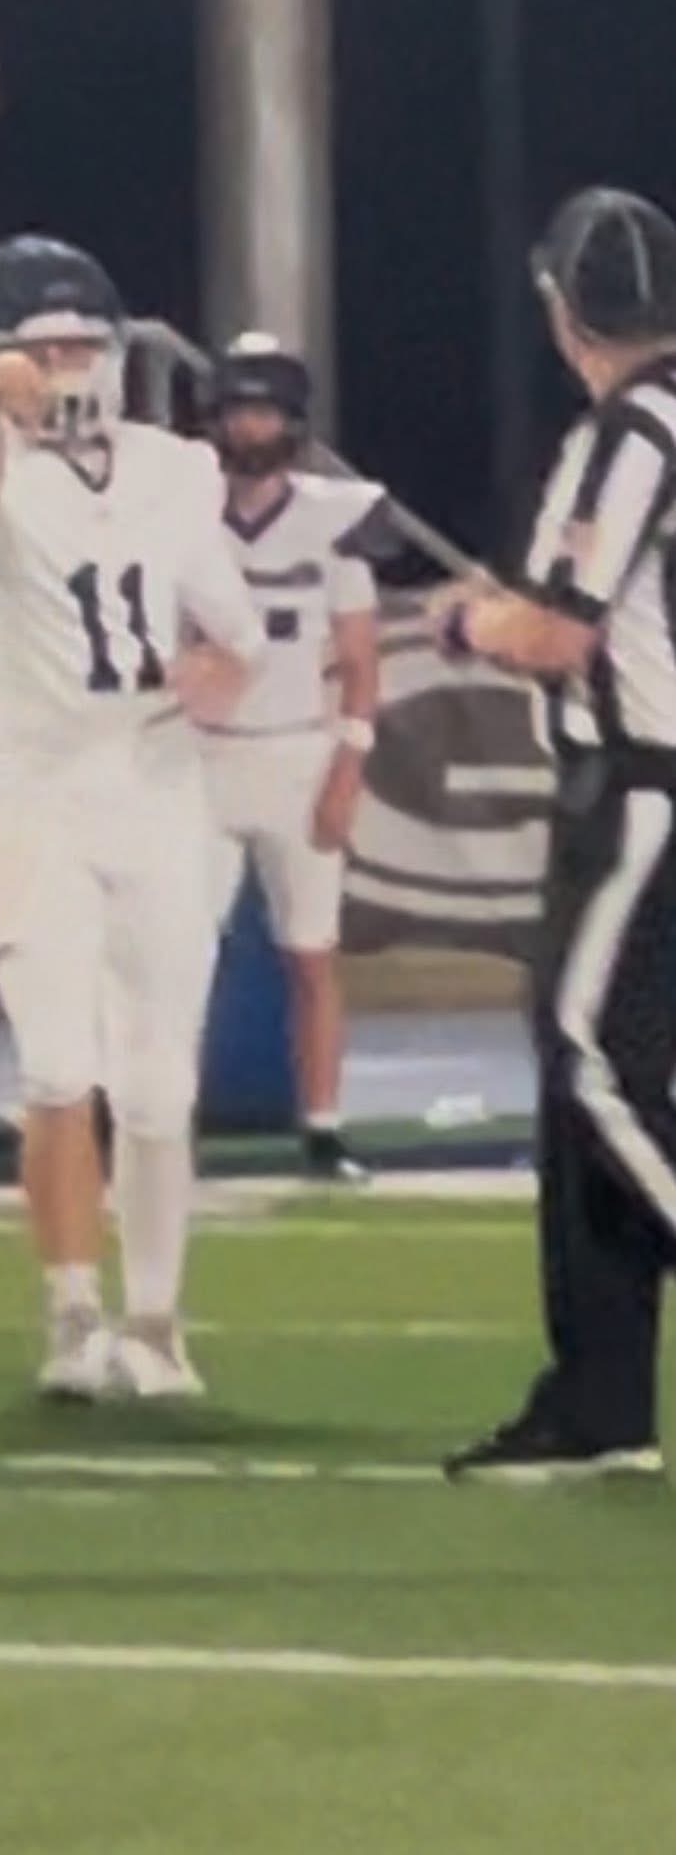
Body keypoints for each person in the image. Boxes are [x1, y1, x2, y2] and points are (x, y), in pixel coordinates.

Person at [0, 235, 266, 1400]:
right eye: (43, 345)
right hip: (35, 799)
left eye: (82, 342)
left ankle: (156, 1322)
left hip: (158, 787)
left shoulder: (172, 468)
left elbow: (235, 626)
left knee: (160, 1083)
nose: (67, 364)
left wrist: (221, 668)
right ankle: (72, 1317)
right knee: (58, 1067)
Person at [440, 187, 676, 1479]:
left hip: (641, 789)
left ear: (563, 307)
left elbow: (555, 634)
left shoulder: (628, 430)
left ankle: (598, 1394)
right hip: (647, 783)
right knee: (590, 1088)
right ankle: (599, 1396)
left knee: (588, 1062)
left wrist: (468, 621)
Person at [201, 334, 383, 1181]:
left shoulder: (333, 518)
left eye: (264, 411)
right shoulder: (181, 513)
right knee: (174, 953)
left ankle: (323, 1126)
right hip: (199, 753)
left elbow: (361, 660)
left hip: (298, 751)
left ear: (294, 421)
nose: (250, 427)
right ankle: (150, 1111)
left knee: (312, 952)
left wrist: (348, 768)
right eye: (239, 410)